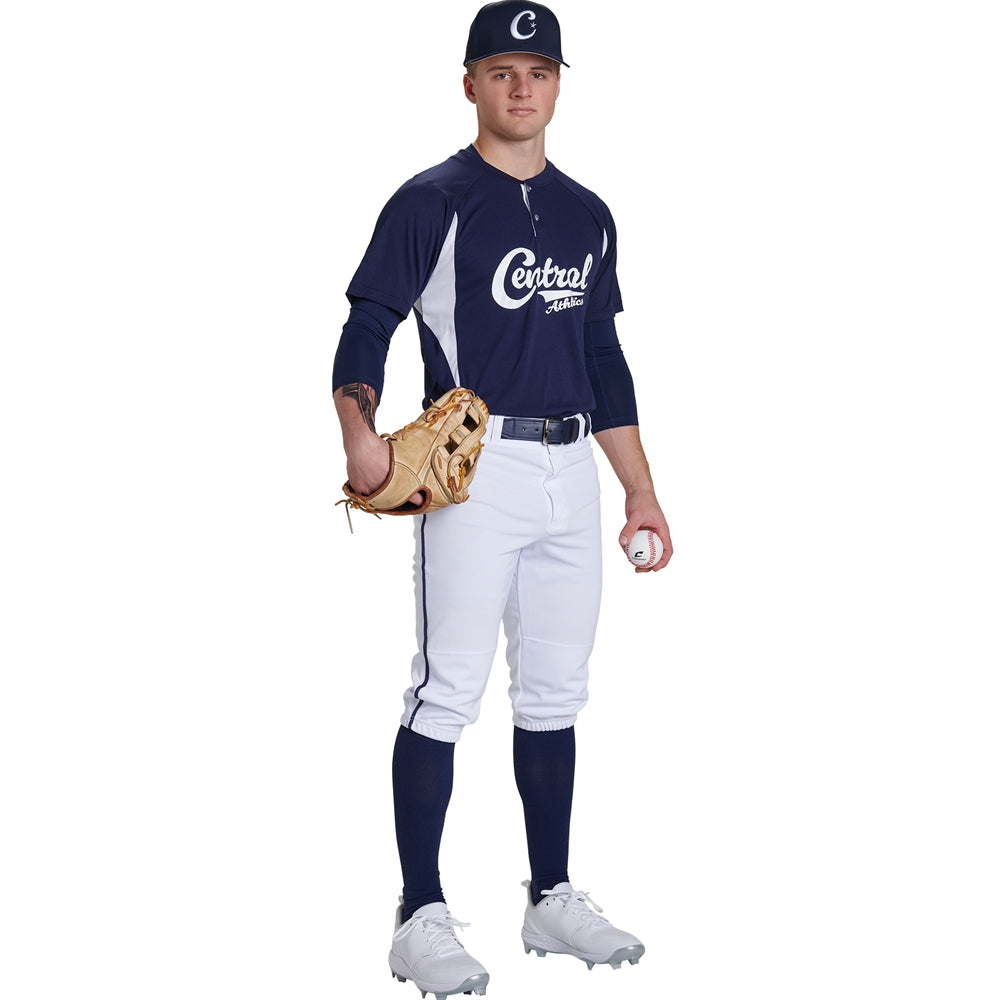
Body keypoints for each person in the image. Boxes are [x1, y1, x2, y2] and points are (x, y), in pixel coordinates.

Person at [332, 3, 673, 997]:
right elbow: (369, 323)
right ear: (469, 82)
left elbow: (601, 357)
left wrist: (640, 491)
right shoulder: (430, 201)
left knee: (557, 691)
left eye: (538, 69)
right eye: (501, 69)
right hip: (473, 470)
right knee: (447, 688)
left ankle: (551, 895)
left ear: (559, 84)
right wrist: (358, 430)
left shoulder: (586, 213)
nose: (520, 86)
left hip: (573, 469)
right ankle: (420, 912)